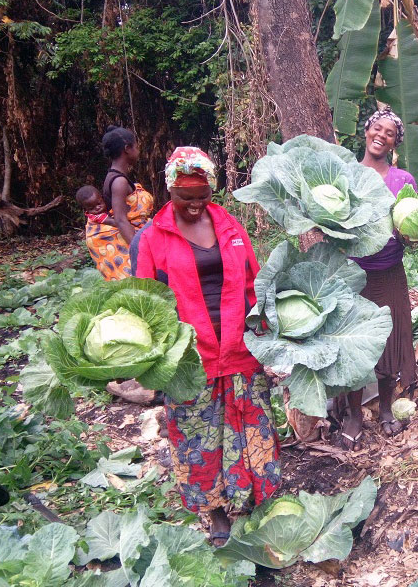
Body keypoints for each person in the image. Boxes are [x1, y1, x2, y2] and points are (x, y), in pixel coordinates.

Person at [135, 147, 280, 546]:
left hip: (238, 345)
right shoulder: (152, 238)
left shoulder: (230, 226)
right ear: (170, 191)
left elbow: (254, 281)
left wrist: (264, 329)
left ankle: (252, 501)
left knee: (250, 426)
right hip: (189, 355)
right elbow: (143, 299)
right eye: (186, 197)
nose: (196, 204)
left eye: (203, 195)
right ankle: (216, 512)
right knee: (198, 435)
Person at [337, 108, 416, 450]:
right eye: (377, 128)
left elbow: (412, 230)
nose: (381, 136)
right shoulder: (343, 174)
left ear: (396, 141)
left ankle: (385, 408)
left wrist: (412, 233)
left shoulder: (404, 180)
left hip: (389, 272)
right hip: (352, 274)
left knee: (390, 341)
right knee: (353, 345)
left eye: (390, 133)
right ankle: (353, 414)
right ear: (366, 130)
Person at [88, 126, 153, 280]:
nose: (138, 150)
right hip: (124, 238)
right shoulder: (119, 182)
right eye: (136, 146)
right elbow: (121, 219)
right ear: (127, 149)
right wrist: (138, 249)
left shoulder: (116, 176)